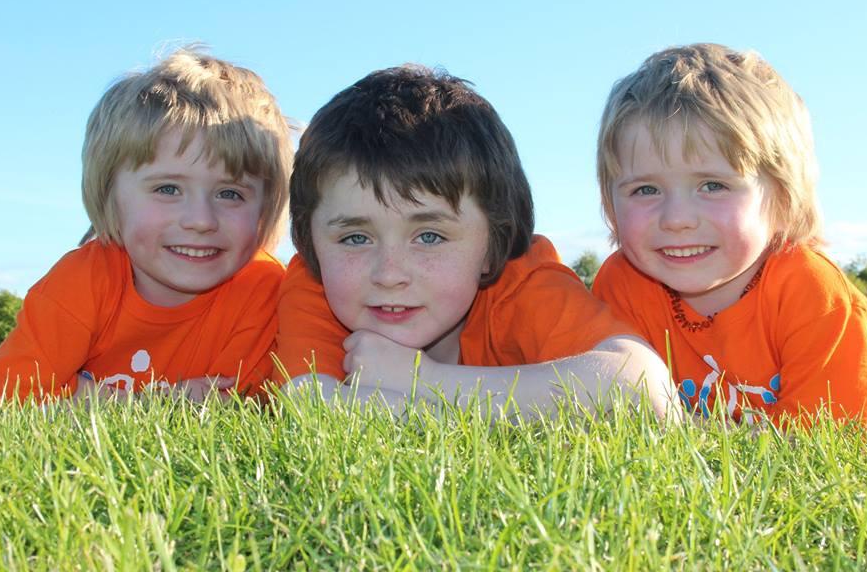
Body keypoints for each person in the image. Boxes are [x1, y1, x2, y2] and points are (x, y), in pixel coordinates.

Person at [275, 65, 678, 419]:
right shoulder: (317, 287)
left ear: (492, 242)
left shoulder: (520, 284)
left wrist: (425, 381)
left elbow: (645, 391)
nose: (389, 274)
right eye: (356, 237)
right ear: (311, 241)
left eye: (429, 236)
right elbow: (311, 409)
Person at [591, 43, 867, 429]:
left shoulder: (815, 296)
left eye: (713, 185)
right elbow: (604, 411)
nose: (677, 219)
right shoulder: (622, 285)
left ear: (784, 196)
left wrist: (691, 432)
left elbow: (837, 445)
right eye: (645, 189)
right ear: (610, 202)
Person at [0, 48, 293, 402]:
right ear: (109, 194)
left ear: (268, 205)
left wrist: (80, 395)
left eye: (230, 194)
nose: (200, 220)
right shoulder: (84, 280)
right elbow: (12, 389)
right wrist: (154, 403)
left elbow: (232, 407)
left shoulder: (264, 291)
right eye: (168, 189)